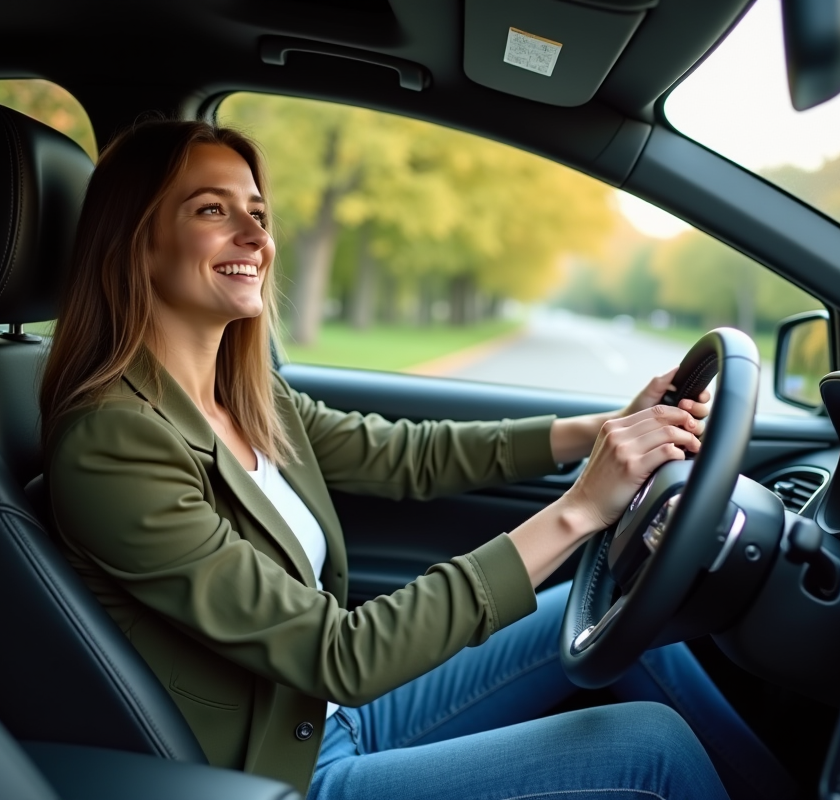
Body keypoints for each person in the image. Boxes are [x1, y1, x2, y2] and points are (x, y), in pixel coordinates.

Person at [41, 119, 792, 800]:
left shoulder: (243, 396)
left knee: (589, 616)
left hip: (328, 716)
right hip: (287, 772)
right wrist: (579, 510)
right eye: (213, 210)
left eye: (259, 214)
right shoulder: (115, 442)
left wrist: (602, 430)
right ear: (135, 239)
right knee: (647, 749)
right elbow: (340, 654)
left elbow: (409, 455)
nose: (255, 237)